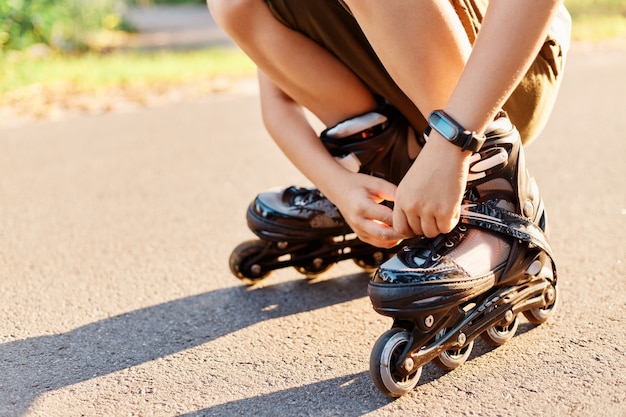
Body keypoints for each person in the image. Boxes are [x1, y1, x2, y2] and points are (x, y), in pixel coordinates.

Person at [209, 0, 569, 301]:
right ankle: (386, 168)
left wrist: (453, 144)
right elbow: (278, 101)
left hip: (505, 68)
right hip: (406, 88)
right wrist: (341, 186)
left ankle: (495, 188)